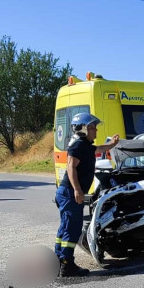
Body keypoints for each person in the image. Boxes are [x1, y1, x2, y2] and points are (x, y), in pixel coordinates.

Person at [55, 113, 119, 277]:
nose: (95, 131)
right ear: (82, 129)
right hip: (70, 192)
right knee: (72, 229)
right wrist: (77, 190)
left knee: (65, 228)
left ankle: (59, 261)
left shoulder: (84, 145)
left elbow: (99, 149)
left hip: (67, 193)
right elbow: (71, 167)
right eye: (92, 127)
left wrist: (112, 144)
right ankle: (66, 266)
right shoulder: (77, 145)